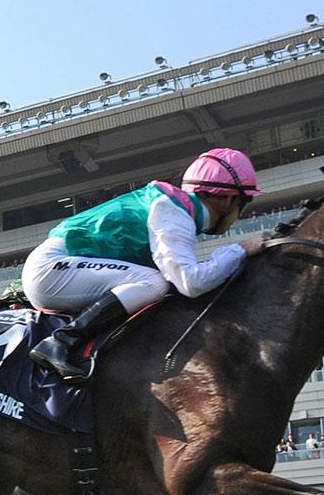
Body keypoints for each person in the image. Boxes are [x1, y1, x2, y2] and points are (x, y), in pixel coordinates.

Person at [25, 147, 262, 382]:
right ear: (229, 200)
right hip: (52, 269)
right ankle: (62, 342)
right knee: (154, 282)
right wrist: (239, 250)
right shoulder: (172, 211)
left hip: (59, 269)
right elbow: (191, 283)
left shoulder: (173, 207)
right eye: (243, 203)